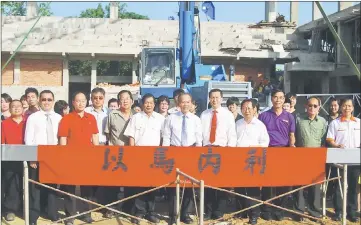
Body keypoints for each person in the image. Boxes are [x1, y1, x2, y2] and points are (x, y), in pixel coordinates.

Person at [58, 91, 99, 225]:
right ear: (73, 103)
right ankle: (69, 216)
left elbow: (95, 137)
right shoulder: (66, 118)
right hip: (70, 158)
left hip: (87, 158)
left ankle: (86, 214)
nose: (81, 103)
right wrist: (63, 156)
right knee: (69, 188)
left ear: (87, 102)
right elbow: (62, 138)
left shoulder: (91, 118)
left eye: (83, 100)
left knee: (87, 188)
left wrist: (96, 154)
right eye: (78, 101)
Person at [124, 93, 165, 224]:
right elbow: (131, 137)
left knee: (153, 185)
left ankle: (151, 212)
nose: (149, 105)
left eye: (151, 103)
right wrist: (133, 155)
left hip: (155, 157)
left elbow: (164, 138)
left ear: (155, 104)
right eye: (146, 102)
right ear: (142, 104)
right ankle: (139, 212)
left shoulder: (160, 119)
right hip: (139, 156)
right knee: (140, 185)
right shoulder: (136, 118)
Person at [162, 93, 202, 224]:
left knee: (189, 185)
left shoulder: (196, 119)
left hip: (190, 153)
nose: (185, 104)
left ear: (191, 103)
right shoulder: (171, 118)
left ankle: (185, 214)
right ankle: (174, 216)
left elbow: (199, 139)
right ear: (178, 104)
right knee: (174, 185)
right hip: (174, 152)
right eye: (183, 102)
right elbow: (166, 137)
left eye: (188, 102)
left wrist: (198, 154)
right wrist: (166, 153)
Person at [25, 90, 63, 224]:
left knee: (52, 187)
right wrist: (32, 157)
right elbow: (28, 138)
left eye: (49, 99)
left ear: (53, 101)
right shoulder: (33, 117)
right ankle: (33, 216)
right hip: (37, 156)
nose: (46, 102)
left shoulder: (59, 118)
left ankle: (52, 213)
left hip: (53, 157)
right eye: (44, 99)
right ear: (40, 101)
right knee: (35, 188)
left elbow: (61, 139)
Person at [258, 89, 296, 221]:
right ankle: (266, 209)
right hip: (268, 152)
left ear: (284, 99)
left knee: (283, 183)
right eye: (275, 97)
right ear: (271, 99)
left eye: (281, 97)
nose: (278, 100)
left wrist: (292, 147)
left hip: (284, 152)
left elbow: (292, 135)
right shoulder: (263, 116)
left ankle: (279, 210)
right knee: (268, 183)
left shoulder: (289, 116)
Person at [200, 89, 237, 220]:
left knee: (222, 183)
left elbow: (232, 135)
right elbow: (200, 135)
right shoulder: (204, 114)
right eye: (212, 97)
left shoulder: (228, 115)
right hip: (207, 151)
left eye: (217, 97)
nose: (214, 100)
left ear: (221, 99)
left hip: (223, 151)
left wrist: (229, 152)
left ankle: (219, 210)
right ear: (209, 99)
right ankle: (208, 211)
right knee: (208, 183)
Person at [235, 99, 270, 225]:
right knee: (239, 187)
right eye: (244, 107)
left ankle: (254, 215)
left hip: (253, 160)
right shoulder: (238, 123)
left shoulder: (260, 125)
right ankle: (242, 211)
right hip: (238, 160)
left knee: (253, 189)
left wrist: (252, 148)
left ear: (255, 109)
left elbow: (264, 143)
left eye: (249, 108)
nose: (247, 110)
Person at [293, 97, 327, 221]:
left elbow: (323, 140)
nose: (312, 108)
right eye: (310, 105)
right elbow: (294, 136)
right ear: (306, 106)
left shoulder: (323, 121)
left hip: (316, 157)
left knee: (315, 186)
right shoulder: (298, 119)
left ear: (319, 107)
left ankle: (314, 212)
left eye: (315, 106)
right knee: (300, 186)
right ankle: (299, 212)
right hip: (301, 157)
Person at [327, 98, 360, 222]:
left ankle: (351, 212)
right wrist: (336, 145)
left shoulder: (358, 122)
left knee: (353, 186)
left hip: (355, 158)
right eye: (345, 106)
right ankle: (339, 211)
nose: (347, 108)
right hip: (340, 157)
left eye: (349, 106)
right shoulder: (335, 123)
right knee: (339, 186)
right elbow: (330, 139)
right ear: (341, 107)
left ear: (353, 108)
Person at [103, 90, 135, 218]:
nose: (125, 101)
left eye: (127, 98)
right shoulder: (112, 115)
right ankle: (111, 208)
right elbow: (108, 134)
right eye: (122, 98)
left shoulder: (137, 116)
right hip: (115, 153)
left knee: (130, 183)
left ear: (132, 101)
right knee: (113, 184)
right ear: (118, 101)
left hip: (132, 154)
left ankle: (128, 209)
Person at [1, 100, 25, 222]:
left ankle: (23, 208)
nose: (16, 108)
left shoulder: (28, 122)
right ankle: (10, 209)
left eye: (19, 106)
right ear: (9, 109)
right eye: (13, 107)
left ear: (23, 108)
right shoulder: (5, 124)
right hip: (10, 158)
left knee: (25, 185)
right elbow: (2, 142)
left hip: (27, 157)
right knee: (11, 185)